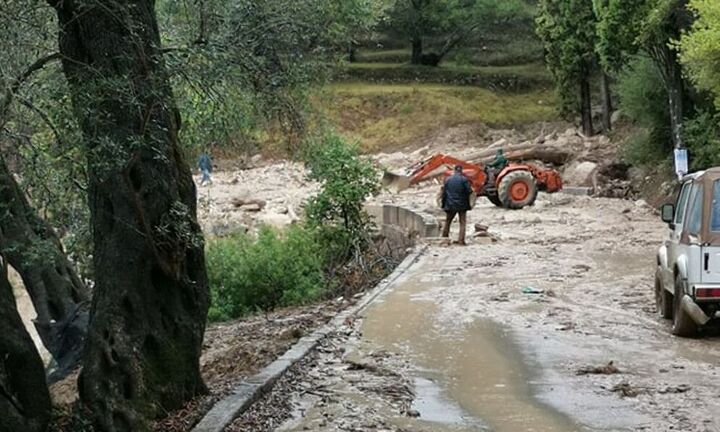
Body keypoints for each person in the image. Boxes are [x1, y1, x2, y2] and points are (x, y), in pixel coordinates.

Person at [441, 165, 473, 245]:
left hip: (450, 204)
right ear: (461, 171)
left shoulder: (448, 180)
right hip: (462, 205)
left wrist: (443, 204)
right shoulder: (464, 179)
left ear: (454, 170)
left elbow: (444, 193)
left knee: (448, 221)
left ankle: (444, 238)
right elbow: (469, 191)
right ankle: (461, 241)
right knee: (462, 222)